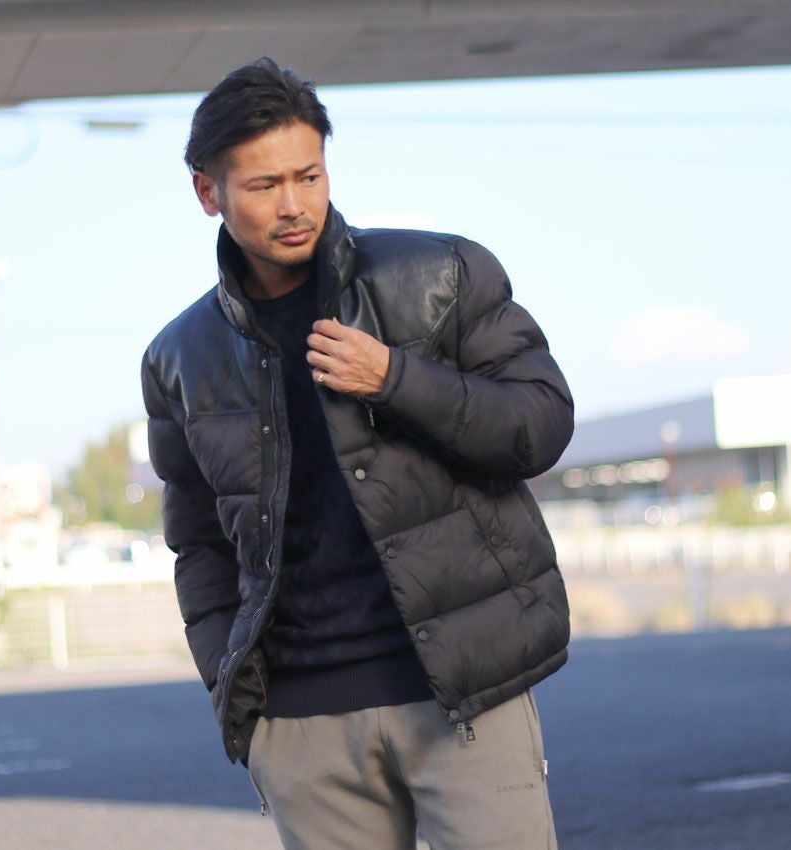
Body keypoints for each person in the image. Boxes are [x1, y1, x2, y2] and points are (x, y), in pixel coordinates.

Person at [142, 56, 573, 850]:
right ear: (208, 192)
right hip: (301, 726)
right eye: (264, 185)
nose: (294, 205)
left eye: (308, 176)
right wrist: (242, 705)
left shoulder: (440, 273)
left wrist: (396, 379)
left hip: (465, 696)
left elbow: (539, 426)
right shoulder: (180, 358)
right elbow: (199, 544)